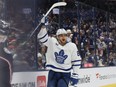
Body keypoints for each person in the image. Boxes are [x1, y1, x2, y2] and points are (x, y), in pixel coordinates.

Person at [37, 19, 81, 87]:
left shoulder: (72, 46)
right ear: (57, 37)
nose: (63, 37)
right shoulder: (52, 42)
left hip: (65, 74)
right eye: (61, 35)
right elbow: (42, 38)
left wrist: (75, 74)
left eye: (65, 35)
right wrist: (43, 26)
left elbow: (76, 61)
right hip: (53, 73)